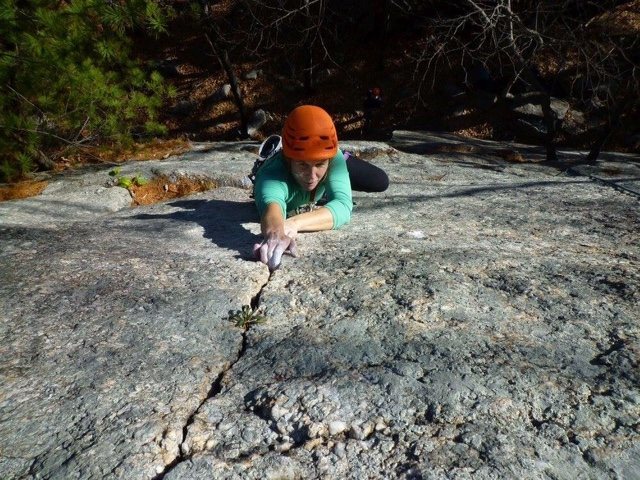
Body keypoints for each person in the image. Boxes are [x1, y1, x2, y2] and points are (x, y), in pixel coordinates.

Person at [253, 105, 388, 270]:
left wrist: (293, 223)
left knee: (380, 181)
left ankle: (333, 163)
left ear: (329, 159)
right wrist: (275, 233)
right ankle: (325, 178)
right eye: (302, 165)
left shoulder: (333, 159)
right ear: (288, 159)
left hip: (333, 159)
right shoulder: (271, 175)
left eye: (319, 164)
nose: (311, 175)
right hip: (296, 168)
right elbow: (272, 207)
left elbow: (343, 205)